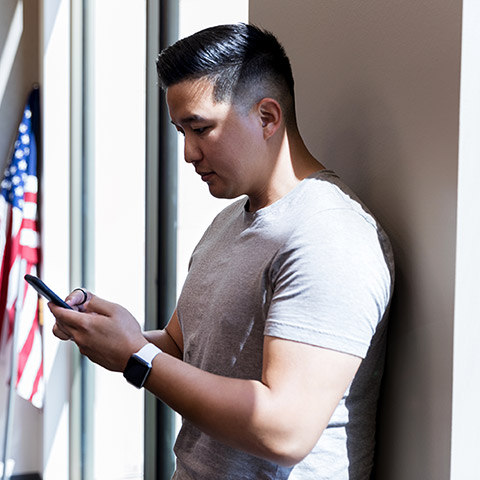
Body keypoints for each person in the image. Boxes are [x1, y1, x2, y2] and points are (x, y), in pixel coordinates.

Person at [50, 23, 394, 480]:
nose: (189, 153)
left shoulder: (330, 235)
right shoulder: (228, 223)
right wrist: (109, 335)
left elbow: (286, 431)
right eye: (180, 131)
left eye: (201, 128)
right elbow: (182, 349)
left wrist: (135, 356)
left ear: (268, 117)